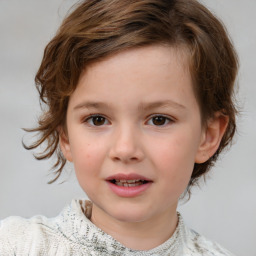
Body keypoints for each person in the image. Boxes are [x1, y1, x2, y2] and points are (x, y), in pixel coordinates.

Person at [0, 0, 238, 255]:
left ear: (208, 136)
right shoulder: (15, 246)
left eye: (158, 120)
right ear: (66, 136)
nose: (125, 149)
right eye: (97, 119)